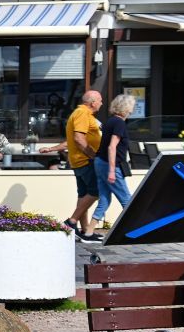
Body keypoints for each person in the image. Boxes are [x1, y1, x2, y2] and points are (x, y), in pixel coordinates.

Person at [40, 90, 104, 243]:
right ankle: (71, 222)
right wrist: (93, 156)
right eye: (100, 100)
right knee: (95, 192)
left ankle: (85, 231)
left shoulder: (79, 114)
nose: (102, 103)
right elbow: (78, 139)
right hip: (85, 161)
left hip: (78, 161)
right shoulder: (83, 114)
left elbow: (71, 141)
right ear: (92, 102)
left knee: (83, 196)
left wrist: (52, 148)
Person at [89, 94, 136, 232]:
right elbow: (112, 146)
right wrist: (111, 170)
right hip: (110, 165)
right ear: (126, 108)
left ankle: (89, 232)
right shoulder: (119, 123)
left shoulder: (110, 121)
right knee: (127, 200)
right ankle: (133, 232)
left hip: (100, 162)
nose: (132, 110)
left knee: (104, 200)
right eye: (131, 107)